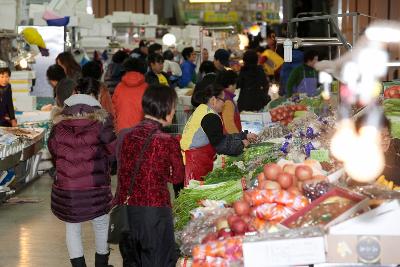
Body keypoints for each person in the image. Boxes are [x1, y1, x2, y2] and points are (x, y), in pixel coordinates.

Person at [48, 77, 116, 267]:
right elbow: (113, 150)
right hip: (95, 185)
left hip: (68, 187)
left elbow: (53, 148)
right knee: (101, 224)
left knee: (72, 227)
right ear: (95, 95)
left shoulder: (59, 122)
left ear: (75, 93)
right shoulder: (102, 121)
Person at [115, 84, 184, 267]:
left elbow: (122, 171)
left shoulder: (125, 136)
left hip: (127, 211)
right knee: (157, 260)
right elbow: (177, 177)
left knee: (132, 261)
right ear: (167, 108)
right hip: (154, 212)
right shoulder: (167, 141)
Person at [181, 83, 257, 184]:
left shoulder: (203, 109)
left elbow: (220, 138)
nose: (224, 103)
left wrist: (244, 136)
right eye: (223, 100)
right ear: (213, 100)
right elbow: (221, 145)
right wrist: (241, 144)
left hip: (194, 158)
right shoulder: (210, 117)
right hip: (195, 161)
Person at [355, 114, 400, 185]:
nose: (386, 139)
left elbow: (395, 142)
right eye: (381, 135)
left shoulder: (389, 147)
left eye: (387, 135)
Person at [112, 57, 148, 133]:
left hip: (122, 129)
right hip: (141, 131)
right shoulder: (146, 87)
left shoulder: (119, 87)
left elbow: (113, 109)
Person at [0, 61, 17, 127]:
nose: (4, 79)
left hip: (2, 118)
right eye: (2, 77)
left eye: (6, 76)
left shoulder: (8, 87)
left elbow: (9, 103)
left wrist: (12, 118)